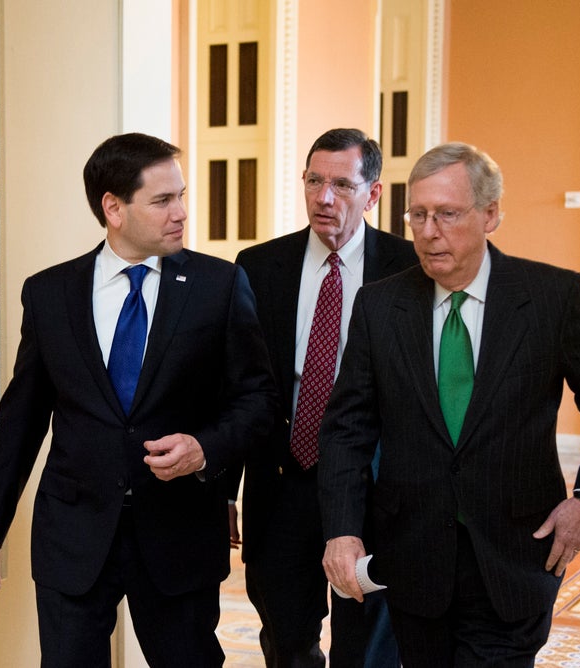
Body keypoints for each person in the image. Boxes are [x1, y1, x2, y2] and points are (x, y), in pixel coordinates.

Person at [318, 141, 580, 667]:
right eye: (417, 215)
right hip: (413, 559)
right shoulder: (379, 305)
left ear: (491, 215)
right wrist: (342, 530)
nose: (427, 231)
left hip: (515, 557)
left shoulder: (549, 298)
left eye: (446, 214)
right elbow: (347, 429)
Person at [0, 132, 277, 668]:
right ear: (113, 208)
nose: (181, 212)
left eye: (181, 194)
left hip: (179, 538)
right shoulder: (49, 294)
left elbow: (258, 399)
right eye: (163, 200)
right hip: (74, 537)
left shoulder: (218, 285)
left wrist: (204, 448)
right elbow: (21, 421)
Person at [232, 128, 417, 667]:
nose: (324, 197)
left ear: (374, 193)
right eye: (314, 181)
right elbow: (240, 385)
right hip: (282, 483)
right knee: (286, 642)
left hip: (374, 487)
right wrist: (224, 490)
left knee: (368, 649)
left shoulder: (410, 269)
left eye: (341, 183)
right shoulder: (260, 265)